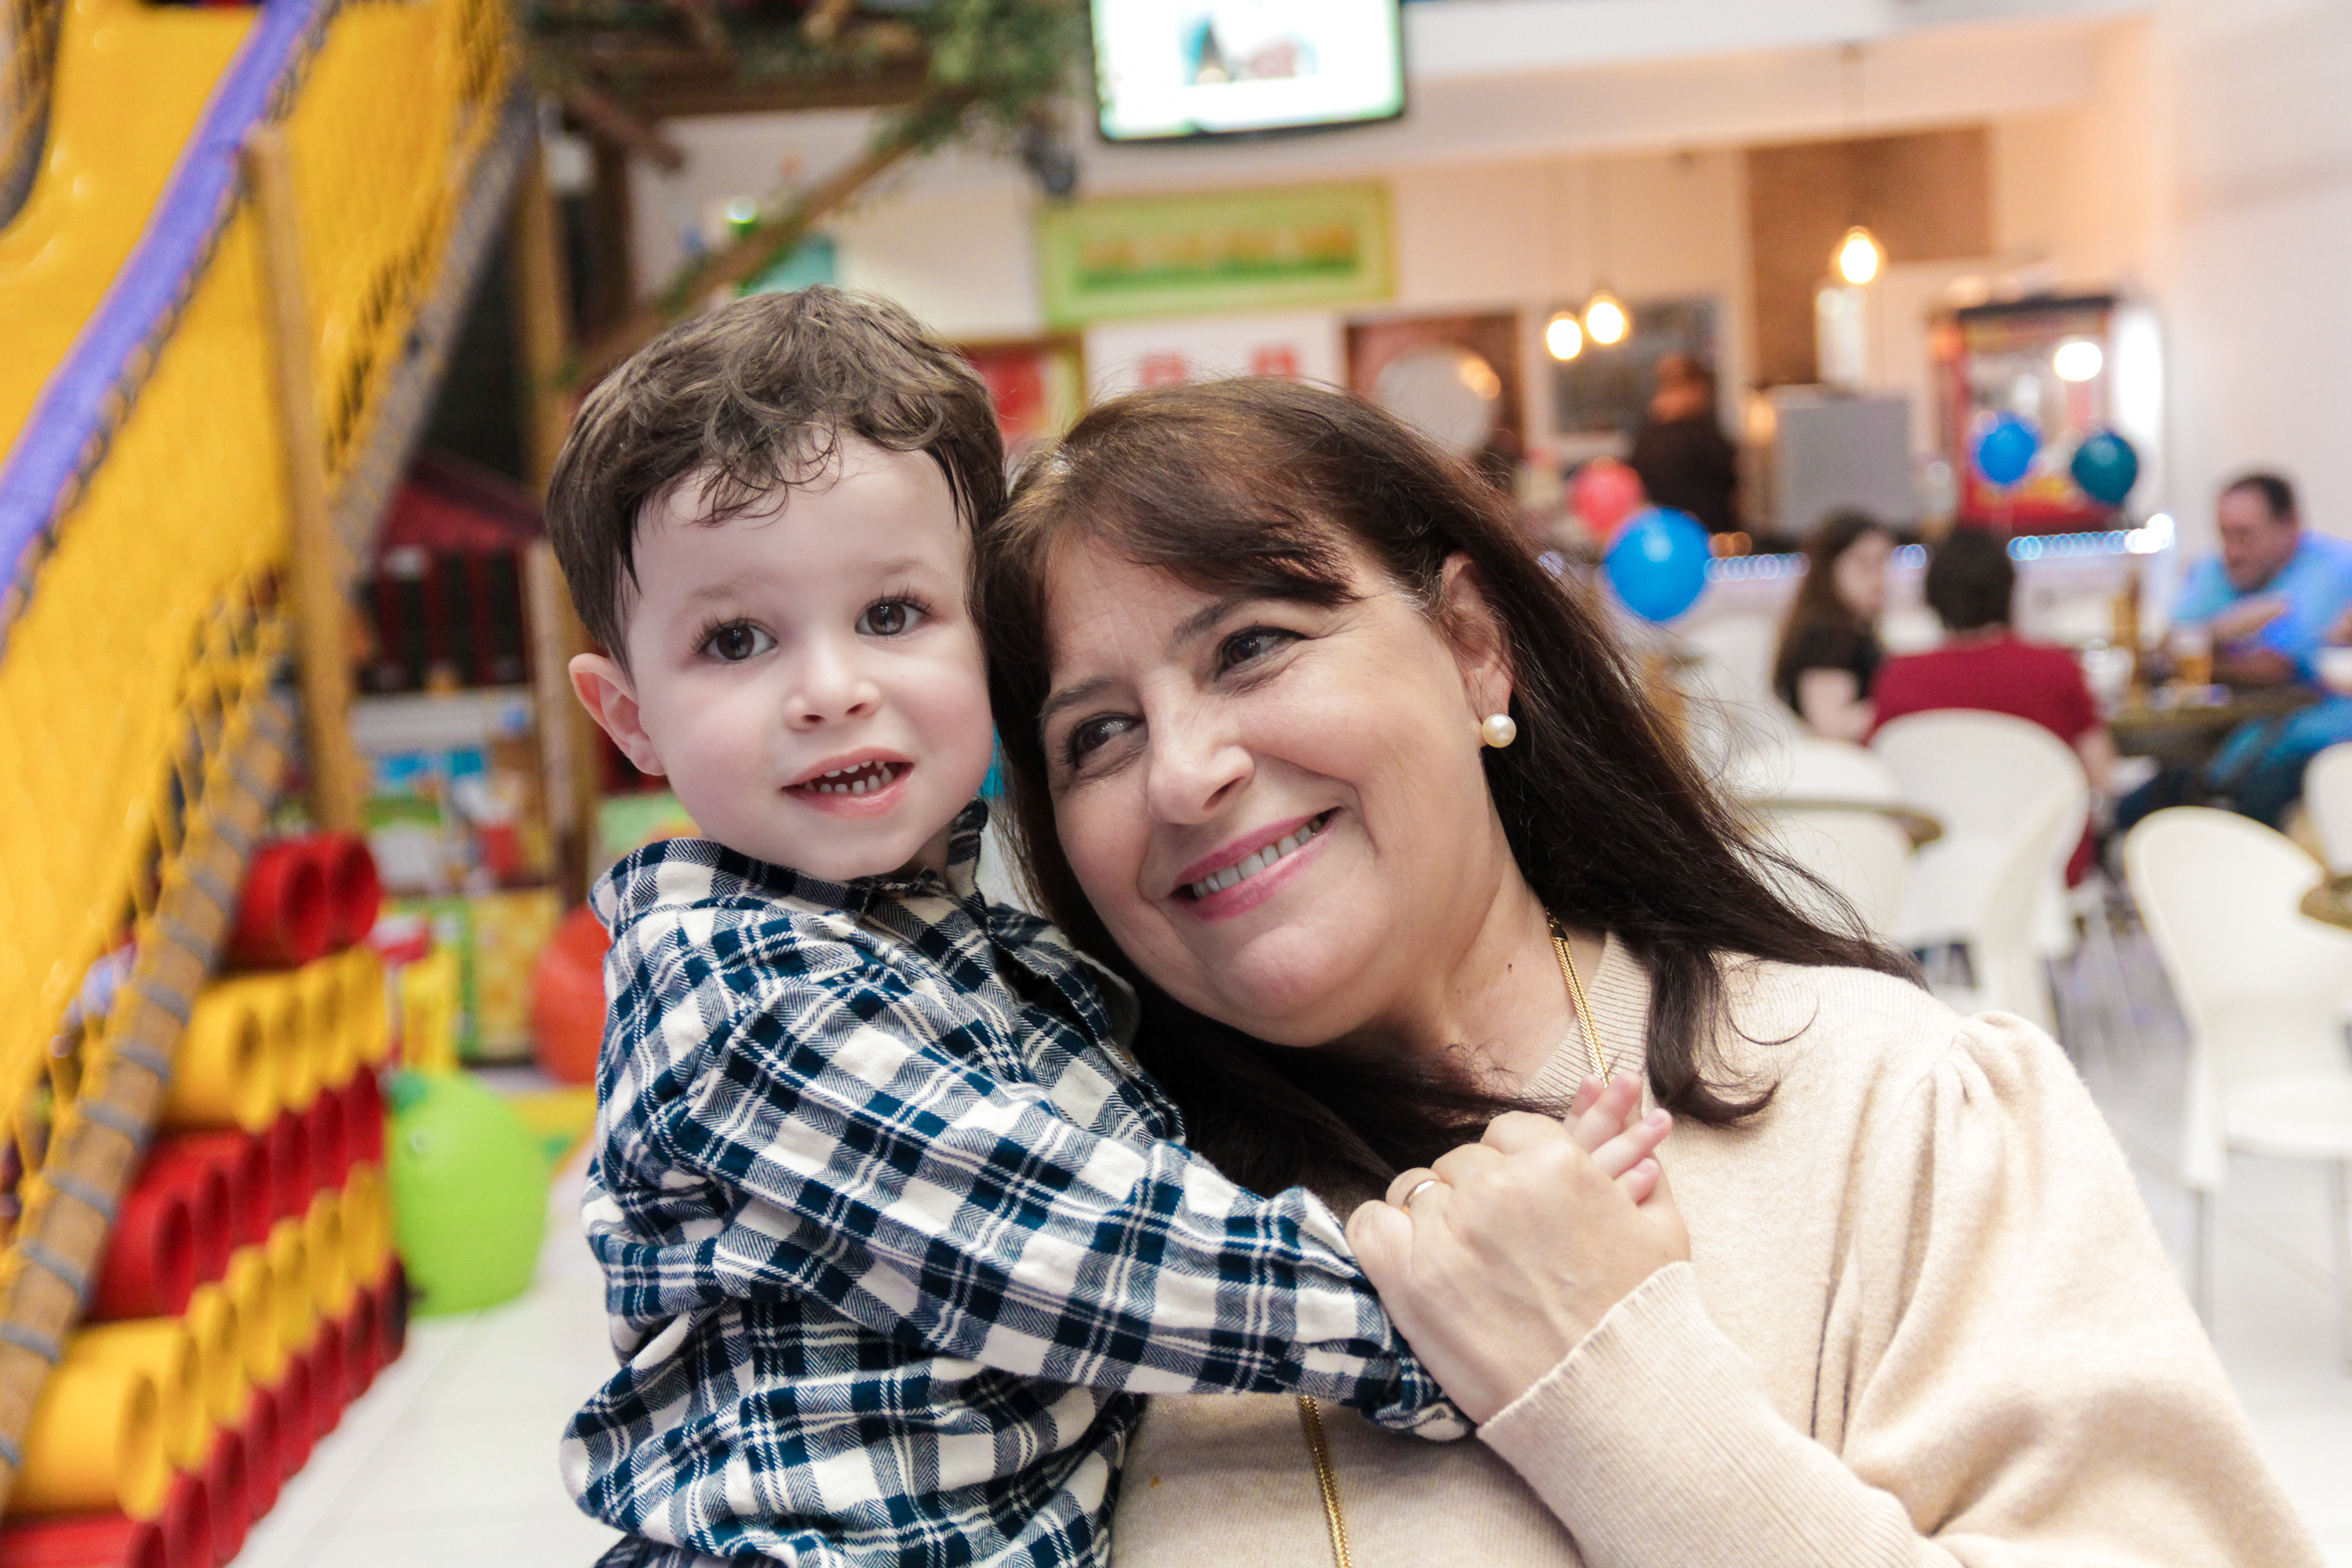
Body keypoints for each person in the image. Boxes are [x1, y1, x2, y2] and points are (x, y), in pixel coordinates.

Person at [976, 377, 2320, 1568]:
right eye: (1096, 733)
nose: (1182, 770)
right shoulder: (1054, 1242)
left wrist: (1612, 1384)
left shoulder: (1886, 1105)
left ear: (1470, 646)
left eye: (1253, 644)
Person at [541, 288, 1669, 1567]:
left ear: (990, 641)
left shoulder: (1004, 964)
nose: (830, 688)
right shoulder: (734, 987)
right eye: (734, 639)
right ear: (627, 714)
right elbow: (1062, 1245)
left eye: (893, 613)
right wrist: (1462, 1315)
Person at [1871, 526, 2114, 881]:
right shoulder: (2055, 667)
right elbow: (2102, 774)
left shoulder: (1898, 676)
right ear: (2009, 589)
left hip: (1935, 874)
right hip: (2044, 872)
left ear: (1933, 595)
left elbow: (1884, 781)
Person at [2165, 472, 2352, 826]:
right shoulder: (2217, 568)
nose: (2233, 549)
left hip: (2310, 741)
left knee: (2244, 796)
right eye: (2225, 534)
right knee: (2157, 799)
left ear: (2291, 525)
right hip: (2233, 737)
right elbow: (2170, 645)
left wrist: (2208, 644)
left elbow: (2277, 665)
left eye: (2246, 534)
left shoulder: (2333, 568)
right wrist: (2222, 631)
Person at [1771, 510, 1893, 740]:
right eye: (1864, 564)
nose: (1878, 577)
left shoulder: (1851, 628)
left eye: (1883, 563)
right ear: (1829, 569)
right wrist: (1898, 708)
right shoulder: (1827, 636)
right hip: (1841, 766)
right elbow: (1831, 725)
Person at [1626, 352, 1740, 535]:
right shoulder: (1700, 432)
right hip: (1709, 537)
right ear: (1695, 388)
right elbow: (1735, 473)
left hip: (1662, 535)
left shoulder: (1647, 435)